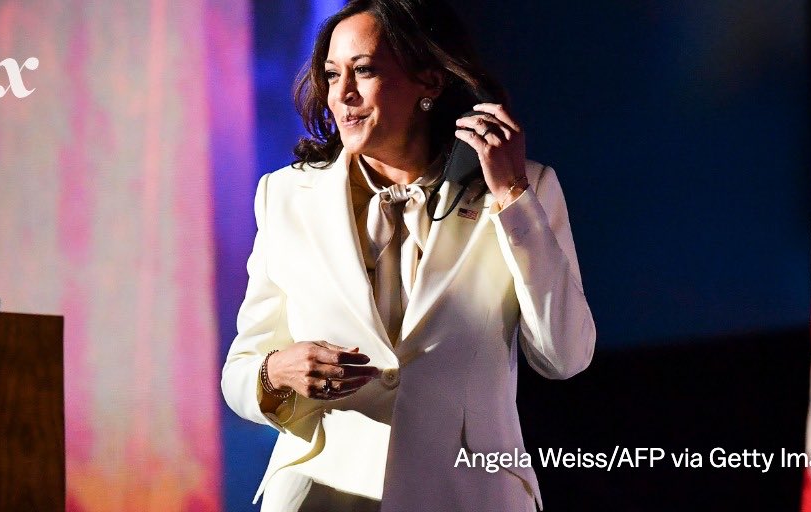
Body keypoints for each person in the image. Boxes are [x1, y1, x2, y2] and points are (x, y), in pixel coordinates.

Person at [220, 0, 596, 510]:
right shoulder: (285, 196)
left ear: (430, 82)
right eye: (331, 75)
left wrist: (513, 196)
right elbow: (240, 373)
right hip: (320, 494)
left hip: (469, 494)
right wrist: (276, 372)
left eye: (364, 70)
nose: (342, 94)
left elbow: (565, 356)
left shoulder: (520, 190)